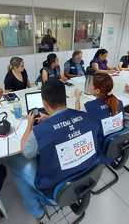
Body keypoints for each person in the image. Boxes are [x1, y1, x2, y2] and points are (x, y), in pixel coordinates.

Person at [8, 80, 100, 222]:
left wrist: (30, 126)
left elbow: (26, 151)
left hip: (59, 189)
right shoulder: (87, 117)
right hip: (87, 177)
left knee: (15, 163)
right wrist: (51, 119)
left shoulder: (40, 131)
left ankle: (38, 212)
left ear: (44, 103)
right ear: (64, 98)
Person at [74, 73, 124, 147]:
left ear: (97, 91)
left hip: (101, 146)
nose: (89, 86)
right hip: (117, 143)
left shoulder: (89, 106)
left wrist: (77, 98)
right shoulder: (118, 102)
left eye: (91, 85)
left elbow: (77, 118)